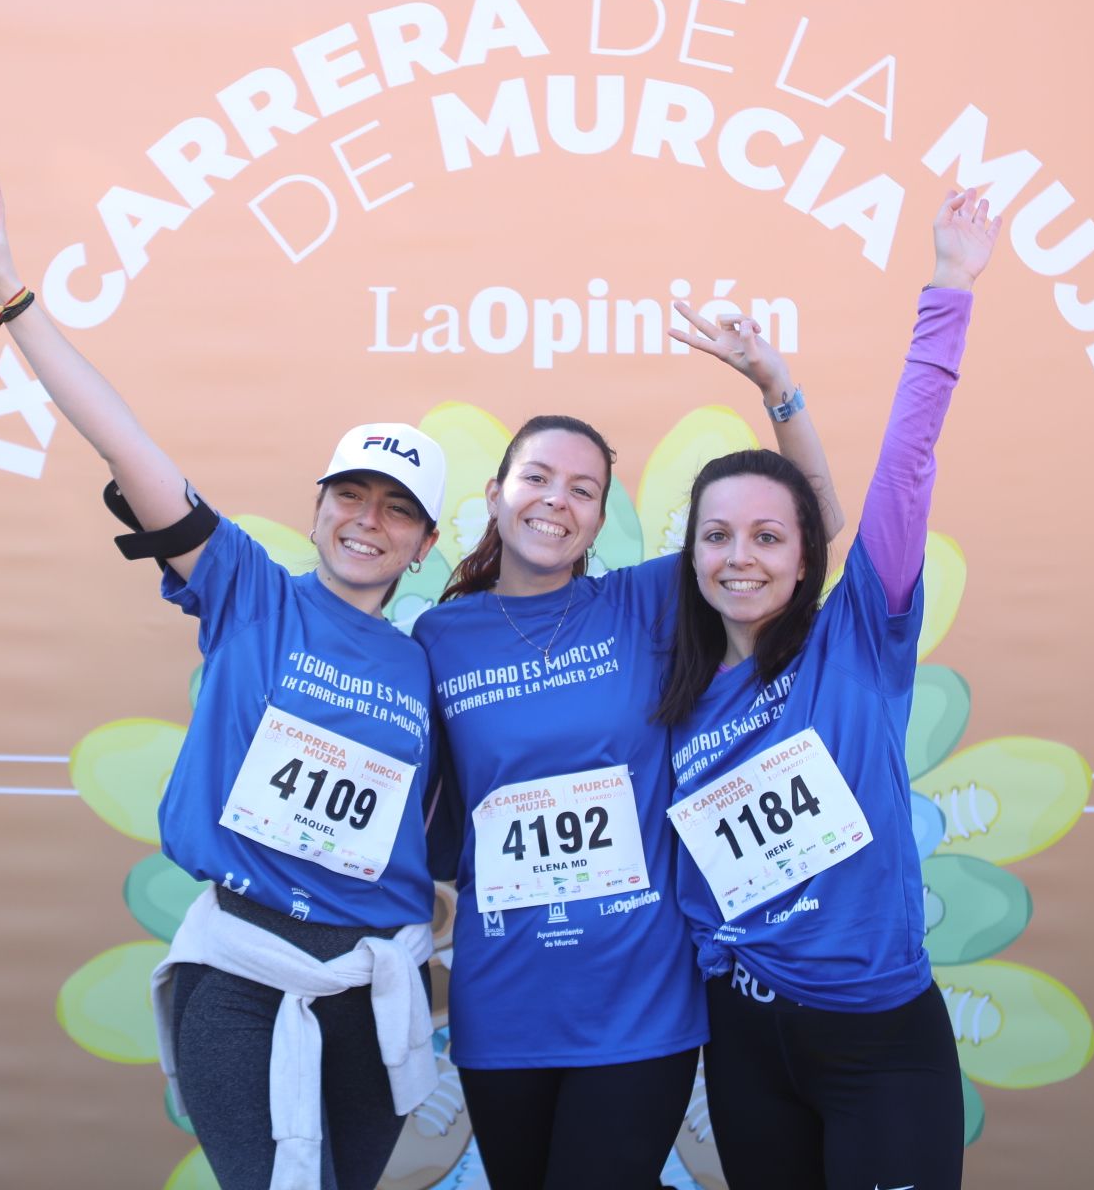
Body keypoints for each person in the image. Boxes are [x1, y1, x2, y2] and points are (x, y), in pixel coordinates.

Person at [0, 180, 446, 1190]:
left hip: (376, 982)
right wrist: (11, 297)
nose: (368, 518)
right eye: (351, 493)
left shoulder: (430, 658)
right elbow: (124, 442)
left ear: (426, 541)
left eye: (398, 509)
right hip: (244, 970)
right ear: (318, 505)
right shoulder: (249, 588)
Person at [413, 304, 845, 1188]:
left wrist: (776, 390)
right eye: (538, 477)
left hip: (639, 1000)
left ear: (600, 517)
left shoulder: (646, 604)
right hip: (504, 1003)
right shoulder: (439, 637)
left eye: (582, 488)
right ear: (496, 495)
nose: (557, 500)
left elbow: (813, 529)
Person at [656, 188, 1001, 1190]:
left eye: (769, 535)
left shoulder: (861, 633)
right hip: (747, 1036)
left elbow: (908, 461)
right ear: (691, 552)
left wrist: (949, 283)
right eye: (717, 534)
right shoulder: (677, 687)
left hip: (881, 1041)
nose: (740, 556)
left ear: (809, 554)